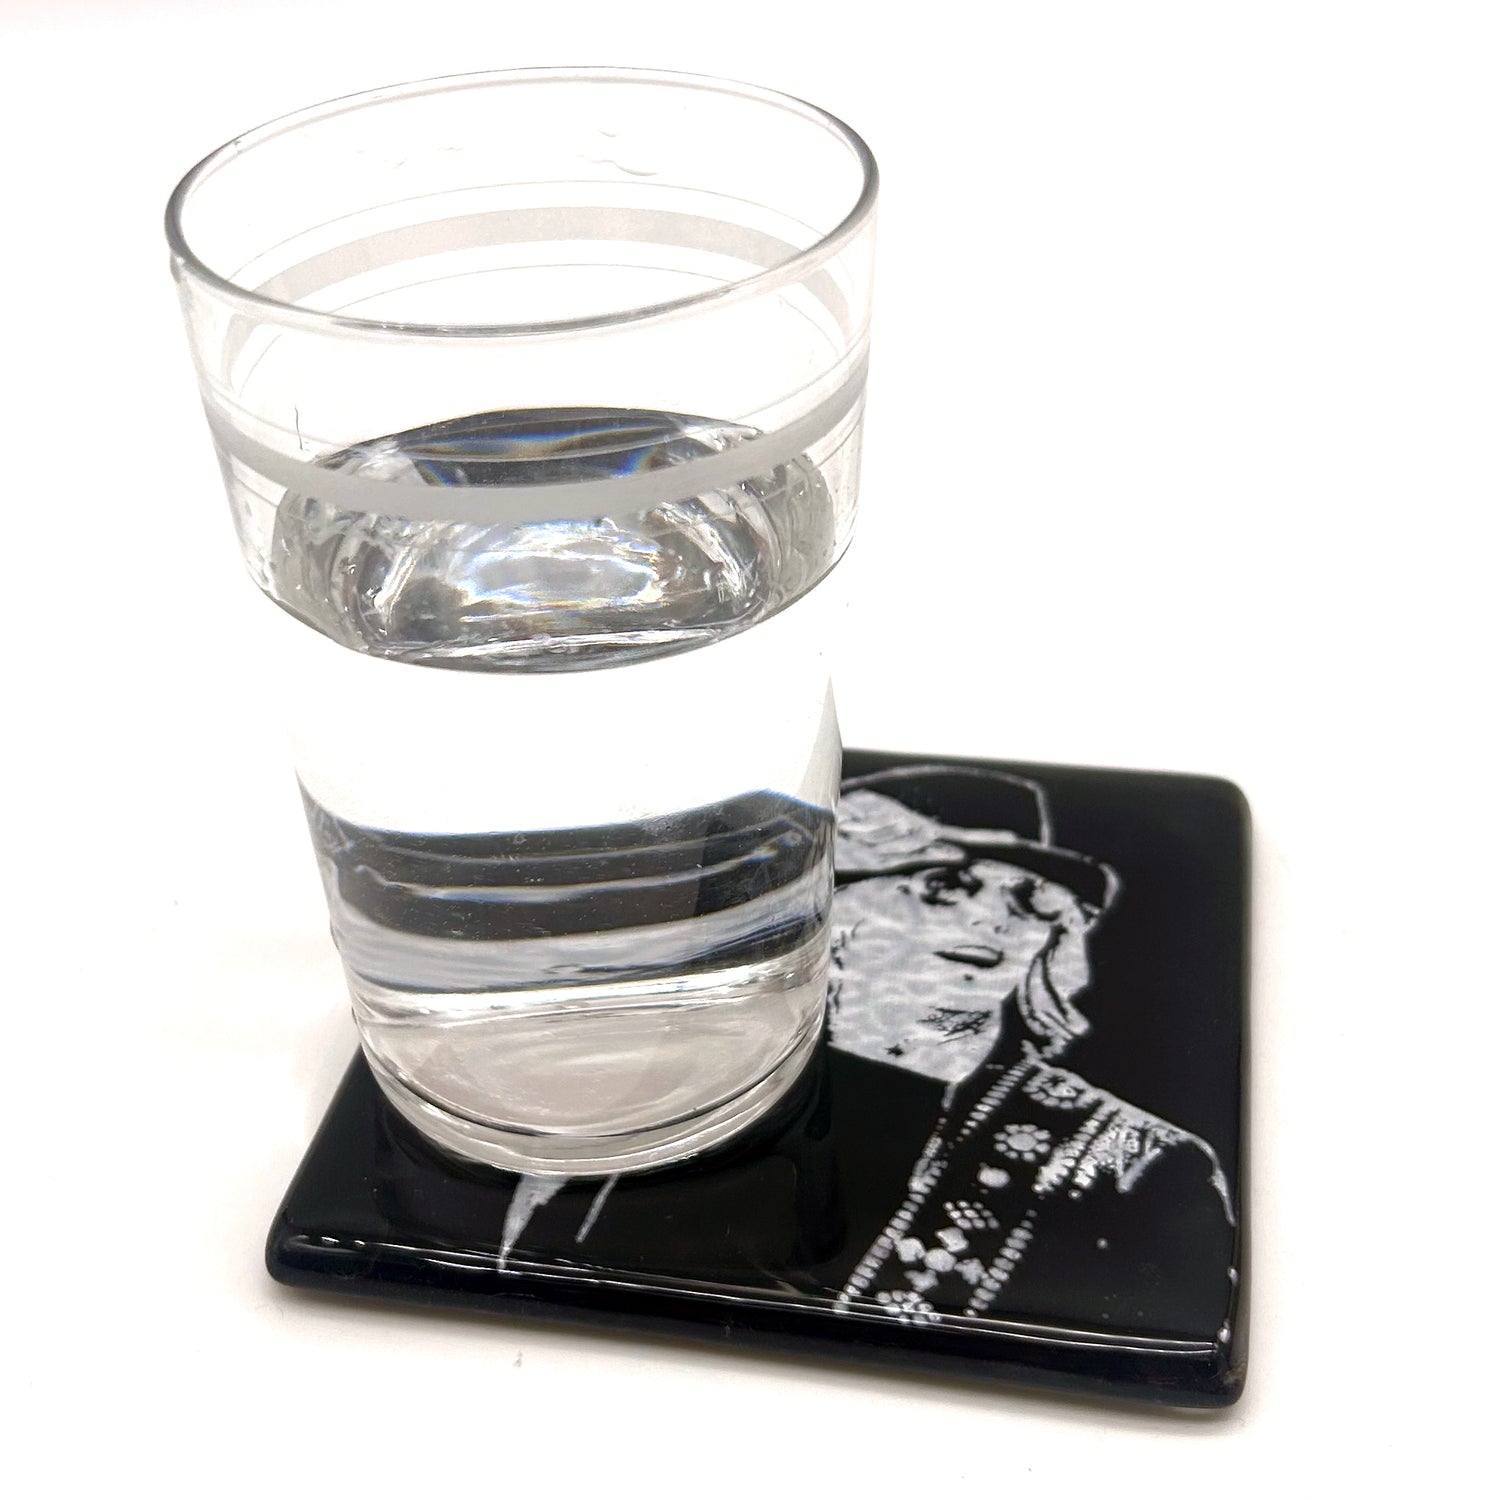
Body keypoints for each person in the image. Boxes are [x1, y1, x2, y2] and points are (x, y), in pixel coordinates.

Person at [822, 766, 1234, 1327]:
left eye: (1028, 901)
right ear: (835, 903)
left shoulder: (1145, 1170)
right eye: (945, 886)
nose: (993, 921)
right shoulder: (724, 1092)